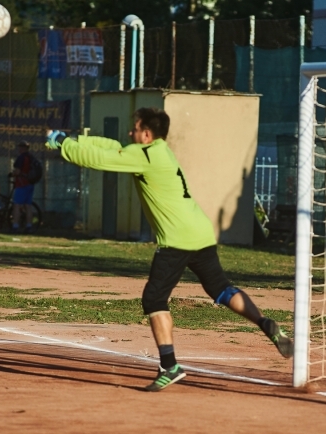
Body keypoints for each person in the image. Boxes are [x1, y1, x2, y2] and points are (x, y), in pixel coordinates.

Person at [45, 108, 294, 392]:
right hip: (199, 231)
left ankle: (169, 366)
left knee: (154, 299)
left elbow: (99, 159)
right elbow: (113, 146)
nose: (130, 132)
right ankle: (265, 323)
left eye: (134, 128)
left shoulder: (144, 156)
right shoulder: (158, 150)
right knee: (220, 288)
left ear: (146, 134)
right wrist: (74, 138)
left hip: (177, 239)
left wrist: (63, 144)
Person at [10, 141, 39, 234]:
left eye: (20, 147)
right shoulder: (31, 157)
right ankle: (29, 226)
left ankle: (15, 226)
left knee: (17, 205)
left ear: (22, 148)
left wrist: (12, 174)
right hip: (30, 184)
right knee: (28, 205)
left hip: (22, 184)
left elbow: (18, 171)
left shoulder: (21, 157)